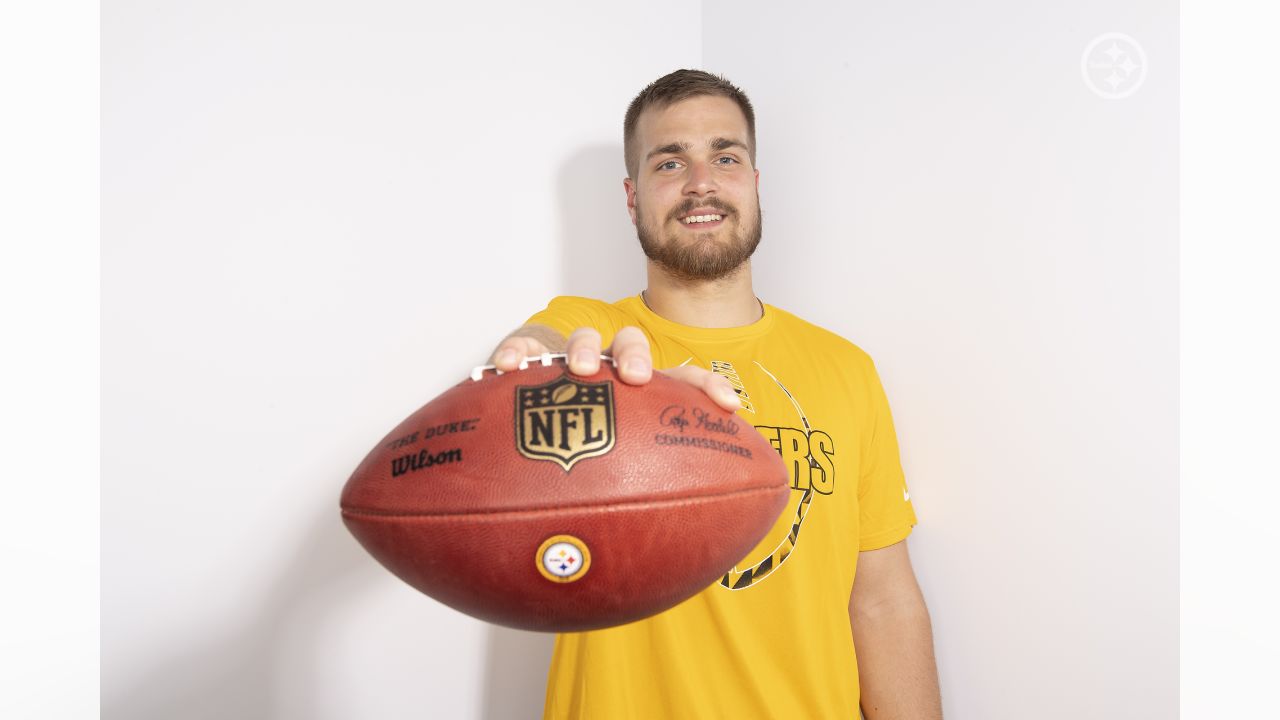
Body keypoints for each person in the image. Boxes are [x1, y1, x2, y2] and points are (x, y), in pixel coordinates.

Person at [488, 69, 943, 719]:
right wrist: (575, 377)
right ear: (631, 196)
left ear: (754, 184)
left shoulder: (846, 369)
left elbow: (882, 599)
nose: (701, 181)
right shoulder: (596, 336)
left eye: (725, 157)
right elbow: (530, 361)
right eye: (669, 162)